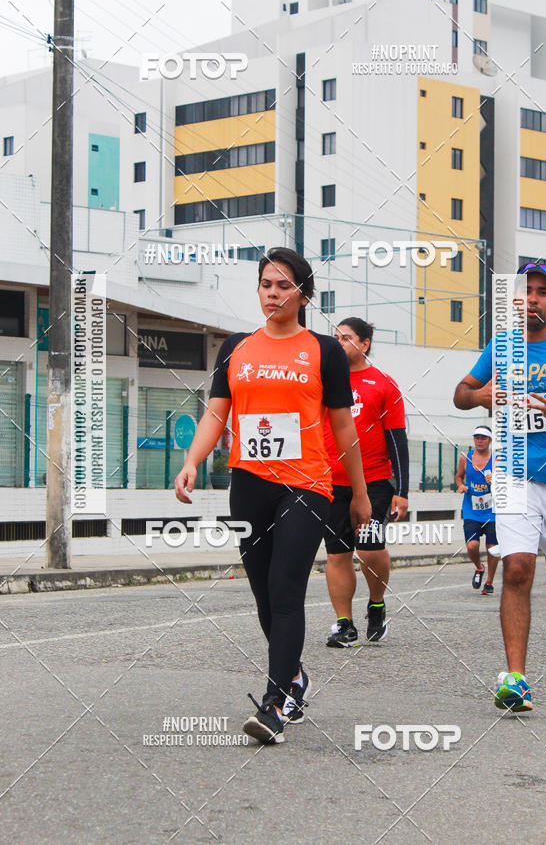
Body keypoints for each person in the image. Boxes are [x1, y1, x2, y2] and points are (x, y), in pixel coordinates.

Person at [175, 247, 371, 744]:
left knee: (286, 591)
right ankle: (295, 676)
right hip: (249, 483)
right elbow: (217, 413)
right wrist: (192, 461)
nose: (273, 294)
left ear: (303, 294)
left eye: (284, 286)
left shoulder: (324, 350)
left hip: (306, 485)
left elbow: (343, 425)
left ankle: (273, 704)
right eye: (266, 284)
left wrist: (360, 494)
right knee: (263, 592)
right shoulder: (237, 348)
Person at [454, 262, 546, 711]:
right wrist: (480, 396)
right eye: (526, 292)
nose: (533, 299)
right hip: (515, 475)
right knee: (517, 568)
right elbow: (460, 393)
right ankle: (516, 679)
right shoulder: (501, 346)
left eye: (542, 292)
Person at [322, 318, 409, 646]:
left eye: (346, 338)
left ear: (365, 344)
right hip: (330, 482)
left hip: (373, 481)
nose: (339, 342)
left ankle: (376, 604)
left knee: (370, 549)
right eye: (336, 337)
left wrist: (402, 490)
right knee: (337, 554)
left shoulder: (383, 384)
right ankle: (344, 624)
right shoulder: (324, 383)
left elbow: (397, 439)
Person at [455, 426, 499, 595]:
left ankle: (489, 581)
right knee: (472, 545)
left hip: (492, 510)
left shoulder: (497, 459)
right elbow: (459, 476)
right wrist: (461, 486)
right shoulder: (465, 457)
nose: (480, 440)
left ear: (490, 441)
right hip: (471, 508)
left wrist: (495, 479)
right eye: (477, 437)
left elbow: (506, 480)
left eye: (484, 438)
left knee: (492, 546)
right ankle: (479, 568)